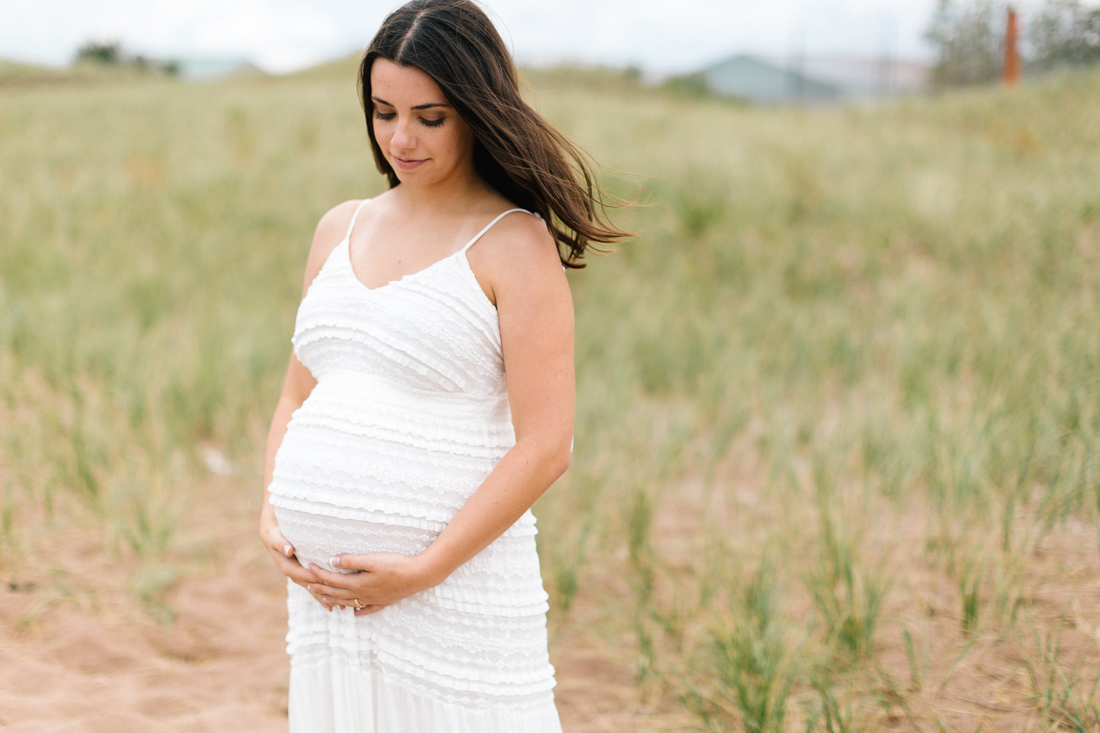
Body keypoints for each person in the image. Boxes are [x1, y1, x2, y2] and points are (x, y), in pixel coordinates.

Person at [258, 0, 628, 730]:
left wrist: (424, 570)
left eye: (430, 117)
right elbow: (298, 393)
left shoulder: (513, 246)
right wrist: (273, 508)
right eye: (383, 111)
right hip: (328, 603)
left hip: (452, 595)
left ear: (477, 111)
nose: (401, 138)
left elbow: (547, 445)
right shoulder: (339, 227)